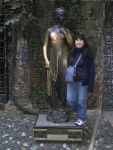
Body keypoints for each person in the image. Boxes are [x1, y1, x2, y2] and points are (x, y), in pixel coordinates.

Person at [43, 7, 73, 109]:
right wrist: (46, 60)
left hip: (64, 58)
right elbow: (45, 46)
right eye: (60, 14)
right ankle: (55, 105)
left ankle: (63, 104)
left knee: (64, 81)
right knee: (54, 80)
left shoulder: (67, 30)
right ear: (55, 16)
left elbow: (71, 43)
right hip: (53, 57)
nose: (62, 17)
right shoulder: (50, 30)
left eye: (63, 14)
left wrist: (65, 33)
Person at [66, 33, 95, 126]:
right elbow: (68, 63)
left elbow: (92, 68)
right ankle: (81, 113)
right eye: (77, 40)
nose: (78, 42)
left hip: (83, 81)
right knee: (70, 100)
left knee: (81, 101)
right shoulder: (72, 51)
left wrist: (91, 83)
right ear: (74, 41)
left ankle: (81, 118)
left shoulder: (87, 52)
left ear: (84, 42)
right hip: (71, 80)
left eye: (80, 40)